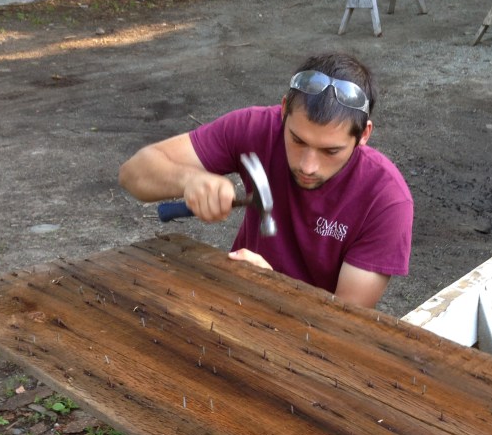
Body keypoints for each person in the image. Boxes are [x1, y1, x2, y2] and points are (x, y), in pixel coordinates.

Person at [118, 52, 413, 309]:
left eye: (331, 151)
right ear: (283, 110)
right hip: (236, 307)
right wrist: (189, 179)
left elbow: (344, 324)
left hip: (310, 347)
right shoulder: (255, 128)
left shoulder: (386, 200)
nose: (308, 166)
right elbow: (133, 174)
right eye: (297, 140)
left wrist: (275, 289)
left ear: (364, 135)